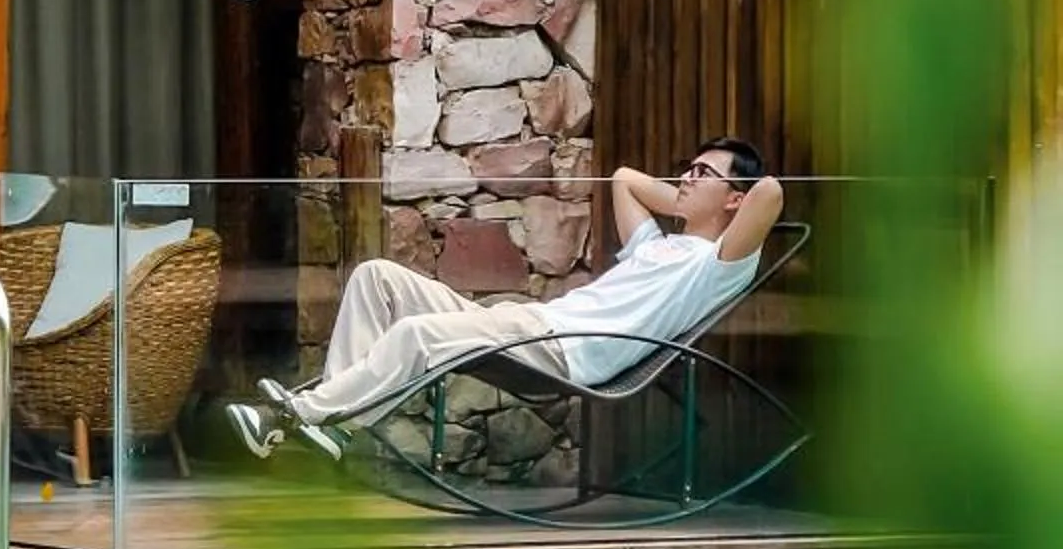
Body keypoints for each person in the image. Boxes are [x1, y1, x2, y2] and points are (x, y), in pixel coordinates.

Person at [227, 139, 783, 461]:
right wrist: (693, 193)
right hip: (527, 324)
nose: (685, 177)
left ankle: (301, 412)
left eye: (701, 173)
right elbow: (625, 178)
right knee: (377, 277)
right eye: (687, 168)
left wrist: (714, 196)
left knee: (417, 335)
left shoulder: (715, 268)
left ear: (735, 199)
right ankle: (338, 424)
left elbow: (770, 193)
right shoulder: (657, 247)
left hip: (563, 352)